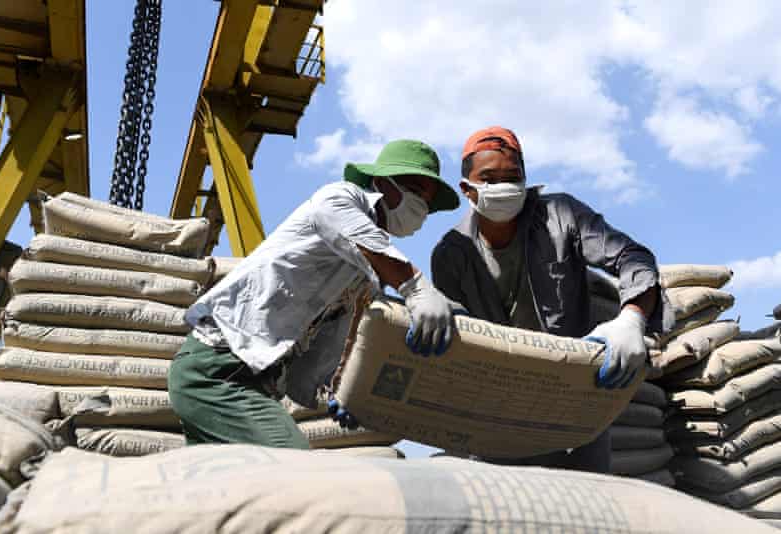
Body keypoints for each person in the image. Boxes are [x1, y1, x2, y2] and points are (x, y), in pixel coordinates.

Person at [168, 139, 462, 448]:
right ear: (380, 182)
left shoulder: (365, 278)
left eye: (426, 203)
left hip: (253, 381)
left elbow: (348, 339)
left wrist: (349, 392)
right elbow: (365, 241)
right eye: (414, 189)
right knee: (296, 470)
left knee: (234, 488)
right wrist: (416, 287)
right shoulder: (340, 198)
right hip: (218, 370)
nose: (419, 207)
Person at [430, 126, 672, 472]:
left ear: (525, 179)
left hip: (572, 403)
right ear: (467, 189)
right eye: (489, 178)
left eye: (511, 177)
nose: (502, 186)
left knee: (587, 512)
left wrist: (632, 319)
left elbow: (633, 258)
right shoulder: (451, 255)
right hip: (498, 415)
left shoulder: (560, 216)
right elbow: (456, 339)